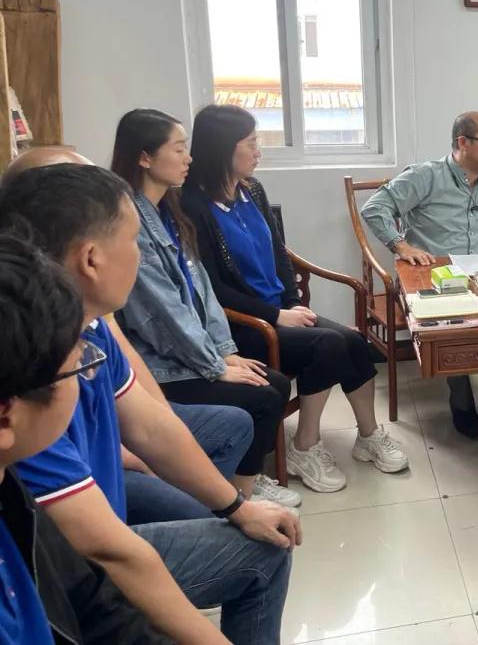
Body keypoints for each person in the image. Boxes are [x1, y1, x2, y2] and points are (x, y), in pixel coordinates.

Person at [0, 164, 299, 645]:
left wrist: (236, 506)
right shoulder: (33, 376)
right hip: (76, 568)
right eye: (134, 241)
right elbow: (105, 553)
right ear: (91, 259)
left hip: (95, 535)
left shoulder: (90, 325)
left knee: (234, 483)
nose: (141, 255)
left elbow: (152, 426)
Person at [4, 143, 259, 523]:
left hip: (104, 466)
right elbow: (89, 536)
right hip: (75, 518)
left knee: (229, 432)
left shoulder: (90, 320)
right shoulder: (34, 346)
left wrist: (235, 508)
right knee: (234, 537)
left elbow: (144, 418)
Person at [182, 104, 408, 486]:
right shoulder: (192, 206)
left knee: (354, 340)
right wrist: (275, 316)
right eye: (251, 143)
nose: (258, 152)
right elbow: (212, 289)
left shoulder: (252, 189)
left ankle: (368, 436)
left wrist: (291, 303)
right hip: (241, 327)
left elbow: (279, 253)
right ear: (222, 148)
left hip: (279, 311)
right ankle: (304, 447)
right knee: (327, 346)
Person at [111, 109, 302, 507]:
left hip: (195, 350)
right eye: (178, 149)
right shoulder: (132, 223)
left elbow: (203, 290)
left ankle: (243, 483)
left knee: (275, 383)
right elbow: (163, 315)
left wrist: (226, 351)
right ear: (145, 157)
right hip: (162, 364)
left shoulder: (170, 208)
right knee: (264, 396)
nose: (189, 158)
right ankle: (238, 499)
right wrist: (215, 365)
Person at [0, 232, 171, 644]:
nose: (88, 372)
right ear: (5, 417)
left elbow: (93, 602)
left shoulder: (12, 491)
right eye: (79, 366)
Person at [362, 111, 478, 438]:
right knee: (456, 322)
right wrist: (401, 246)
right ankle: (461, 401)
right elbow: (374, 208)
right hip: (428, 276)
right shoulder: (425, 176)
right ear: (463, 142)